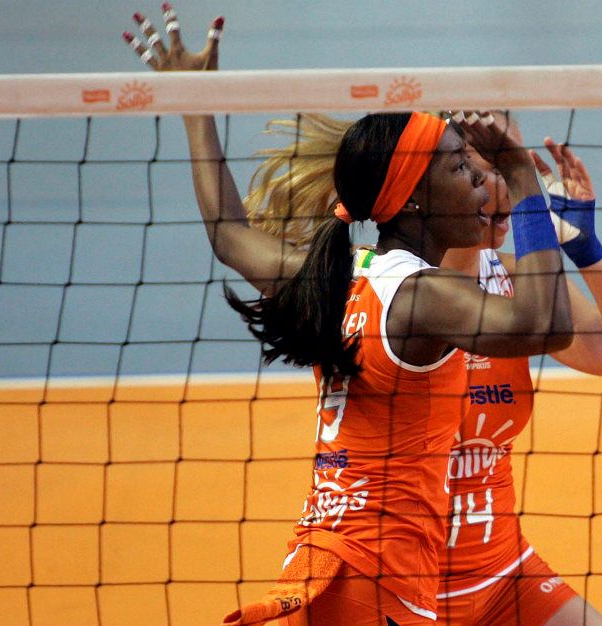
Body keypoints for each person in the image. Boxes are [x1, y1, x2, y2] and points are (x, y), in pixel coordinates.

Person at [123, 7, 573, 626]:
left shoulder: (338, 273)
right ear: (413, 200)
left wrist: (194, 105)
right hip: (376, 581)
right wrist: (522, 177)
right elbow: (546, 325)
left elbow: (229, 234)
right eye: (460, 168)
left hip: (325, 565)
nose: (479, 179)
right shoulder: (421, 296)